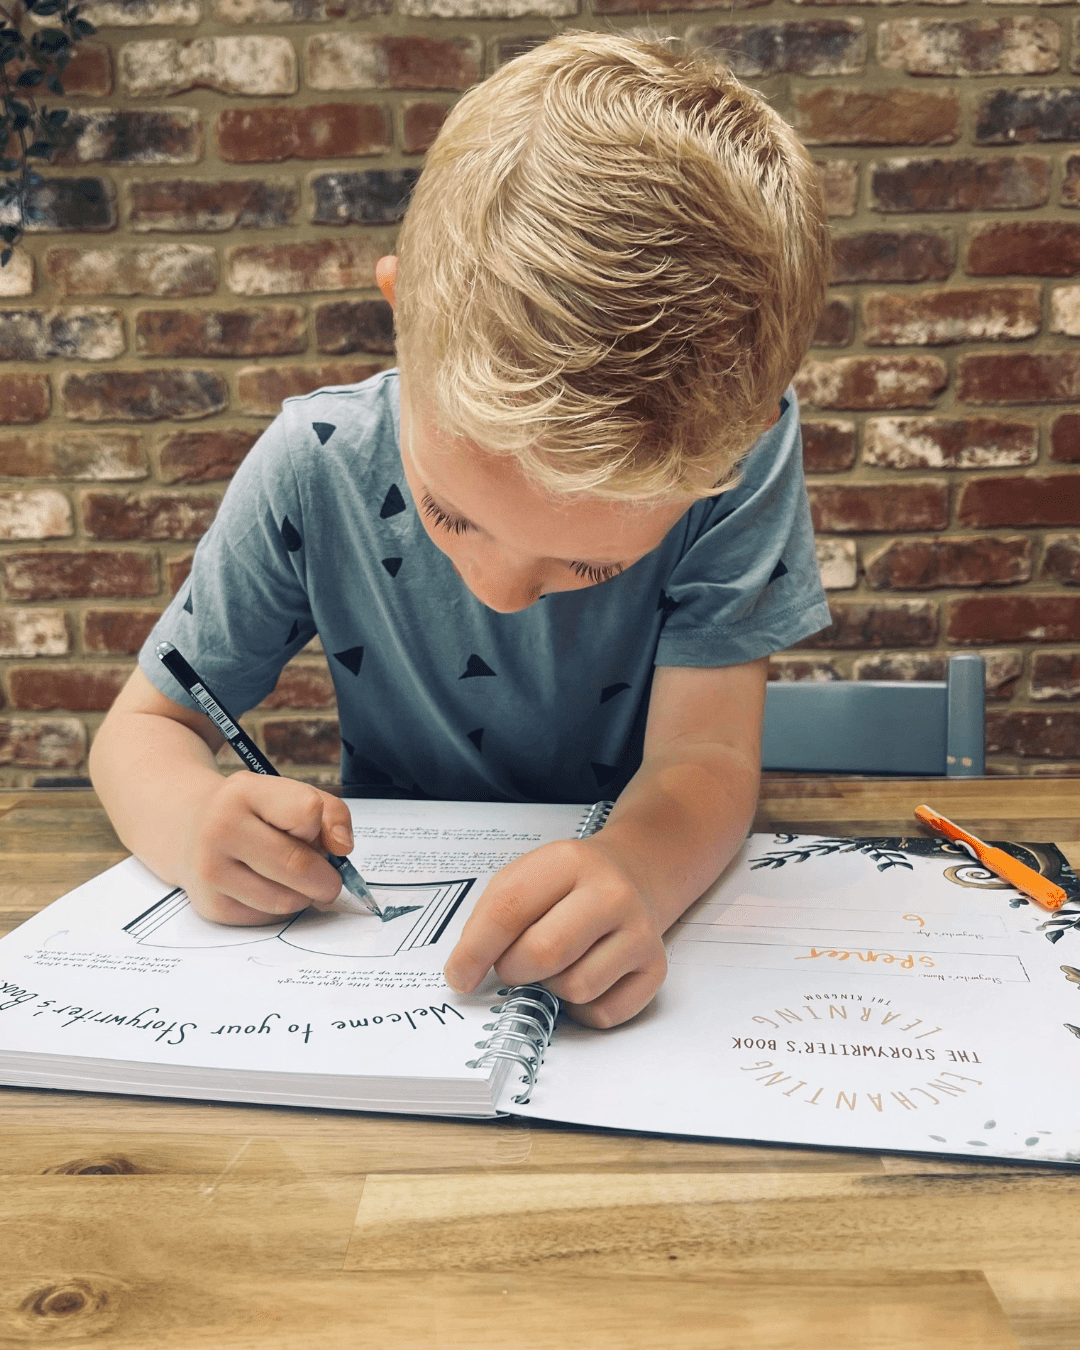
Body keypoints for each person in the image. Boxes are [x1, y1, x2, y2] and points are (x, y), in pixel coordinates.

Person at [89, 30, 832, 1029]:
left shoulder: (732, 455)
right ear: (401, 315)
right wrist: (190, 825)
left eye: (592, 561)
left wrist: (640, 873)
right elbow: (142, 728)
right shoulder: (314, 463)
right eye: (450, 513)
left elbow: (706, 761)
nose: (500, 590)